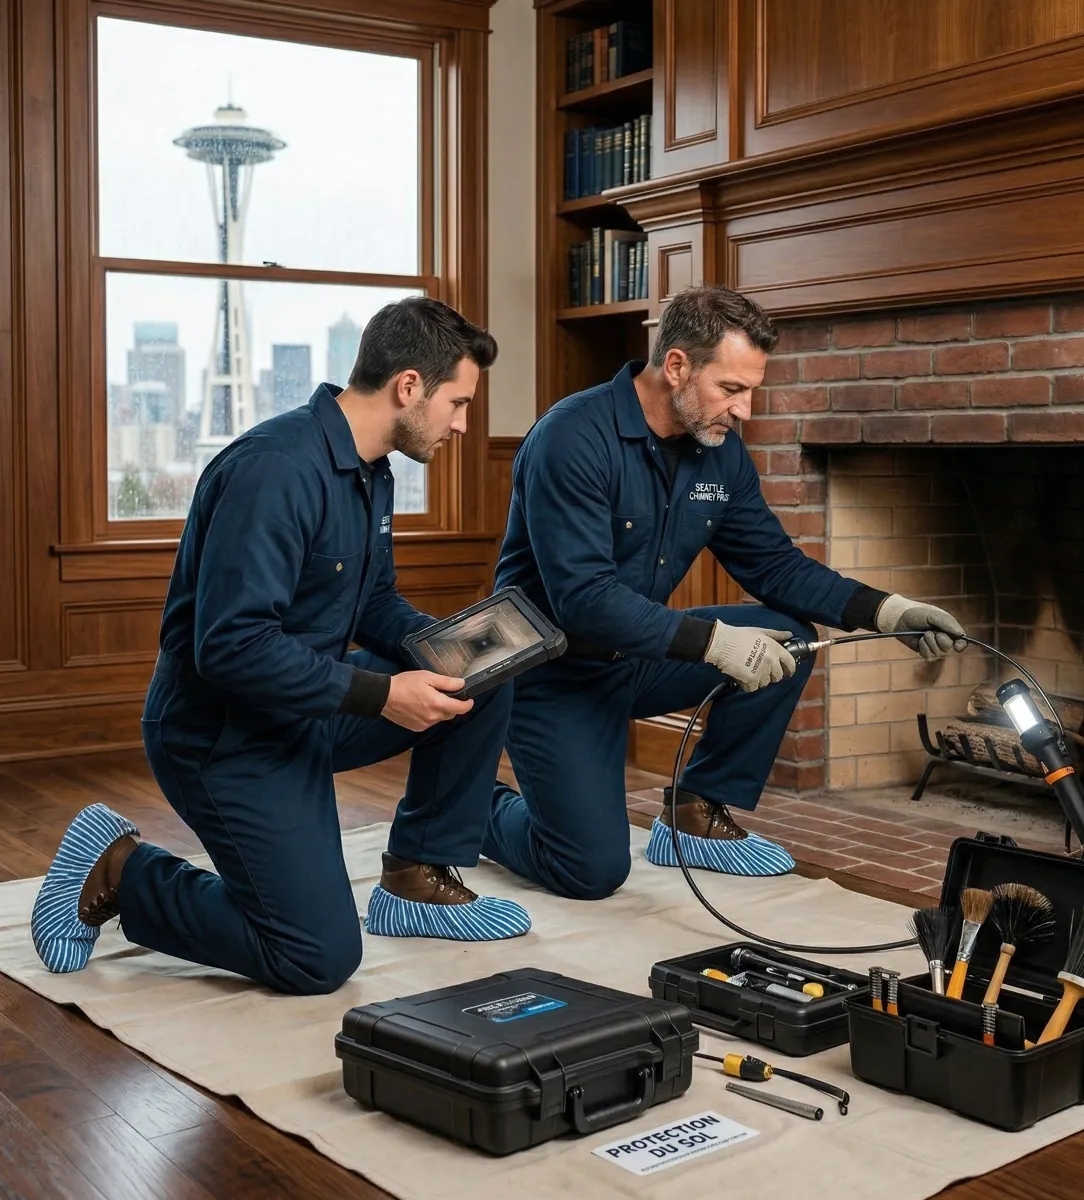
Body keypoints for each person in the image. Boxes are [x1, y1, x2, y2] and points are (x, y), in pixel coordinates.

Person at [32, 297, 530, 997]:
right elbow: (230, 646)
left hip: (305, 709)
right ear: (409, 386)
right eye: (458, 401)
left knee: (480, 675)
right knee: (315, 959)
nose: (462, 422)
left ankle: (417, 881)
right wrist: (386, 695)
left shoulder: (370, 470)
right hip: (223, 737)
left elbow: (374, 603)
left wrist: (451, 647)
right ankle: (122, 869)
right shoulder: (273, 470)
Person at [484, 285, 967, 901]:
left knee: (789, 637)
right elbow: (583, 598)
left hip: (634, 654)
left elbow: (775, 567)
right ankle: (478, 806)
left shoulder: (720, 455)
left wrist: (887, 611)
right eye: (731, 390)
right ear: (677, 365)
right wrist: (712, 642)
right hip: (549, 672)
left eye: (751, 391)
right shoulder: (572, 439)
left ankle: (694, 817)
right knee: (590, 871)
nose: (744, 411)